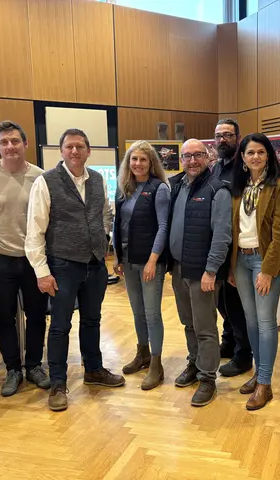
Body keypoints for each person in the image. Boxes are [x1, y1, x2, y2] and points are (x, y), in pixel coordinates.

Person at [25, 128, 123, 412]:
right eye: (69, 146)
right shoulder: (46, 182)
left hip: (95, 264)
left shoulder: (98, 180)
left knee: (92, 320)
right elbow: (34, 230)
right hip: (63, 265)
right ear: (62, 151)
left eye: (80, 146)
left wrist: (103, 239)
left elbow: (104, 214)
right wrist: (42, 272)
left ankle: (93, 369)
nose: (75, 151)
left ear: (88, 151)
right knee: (60, 325)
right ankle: (58, 383)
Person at [0, 121, 50, 397]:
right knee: (3, 317)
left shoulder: (41, 177)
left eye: (15, 141)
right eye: (4, 142)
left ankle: (34, 366)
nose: (10, 146)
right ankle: (13, 369)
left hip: (33, 259)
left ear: (25, 144)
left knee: (36, 315)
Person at [228, 133, 280, 410]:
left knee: (266, 322)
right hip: (240, 262)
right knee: (251, 321)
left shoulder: (279, 186)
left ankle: (265, 383)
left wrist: (267, 271)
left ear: (269, 156)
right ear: (242, 158)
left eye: (261, 152)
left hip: (264, 261)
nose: (255, 157)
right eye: (250, 152)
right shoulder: (238, 187)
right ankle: (258, 374)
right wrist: (232, 267)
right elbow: (233, 230)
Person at [169, 138, 232, 407]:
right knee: (188, 323)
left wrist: (211, 270)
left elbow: (222, 235)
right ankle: (194, 363)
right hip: (178, 268)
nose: (192, 160)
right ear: (181, 159)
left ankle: (208, 378)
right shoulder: (176, 186)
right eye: (187, 156)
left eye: (198, 155)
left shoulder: (218, 190)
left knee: (205, 327)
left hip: (203, 272)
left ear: (208, 158)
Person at [113, 141, 170, 390]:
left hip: (150, 262)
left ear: (151, 162)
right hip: (128, 260)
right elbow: (118, 224)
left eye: (143, 159)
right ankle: (143, 353)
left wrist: (153, 260)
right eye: (133, 159)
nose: (138, 164)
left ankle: (156, 364)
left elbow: (163, 227)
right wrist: (117, 256)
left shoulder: (159, 189)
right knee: (137, 312)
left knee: (152, 313)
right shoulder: (124, 188)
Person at [211, 118, 253, 377]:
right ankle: (228, 343)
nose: (222, 140)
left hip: (239, 248)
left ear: (238, 138)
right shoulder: (215, 168)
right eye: (218, 136)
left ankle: (243, 355)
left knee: (237, 306)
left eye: (227, 135)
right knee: (222, 303)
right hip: (218, 247)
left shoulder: (245, 169)